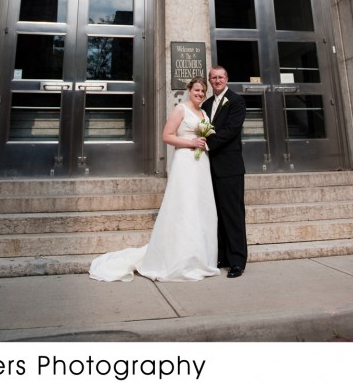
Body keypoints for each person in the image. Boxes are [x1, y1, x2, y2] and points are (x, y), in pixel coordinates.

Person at [89, 76, 217, 282]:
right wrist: (189, 142)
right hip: (185, 162)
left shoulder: (203, 112)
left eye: (203, 91)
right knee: (184, 207)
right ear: (189, 90)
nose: (200, 94)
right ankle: (179, 259)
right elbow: (167, 136)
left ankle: (198, 258)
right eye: (196, 91)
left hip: (201, 163)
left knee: (199, 207)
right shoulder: (180, 109)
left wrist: (202, 142)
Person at [203, 65, 248, 278]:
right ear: (210, 81)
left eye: (221, 77)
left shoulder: (237, 101)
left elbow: (231, 131)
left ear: (227, 78)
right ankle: (222, 257)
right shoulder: (206, 104)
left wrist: (207, 145)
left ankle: (237, 261)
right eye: (214, 78)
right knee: (217, 214)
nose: (218, 80)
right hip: (209, 168)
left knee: (233, 214)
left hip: (230, 168)